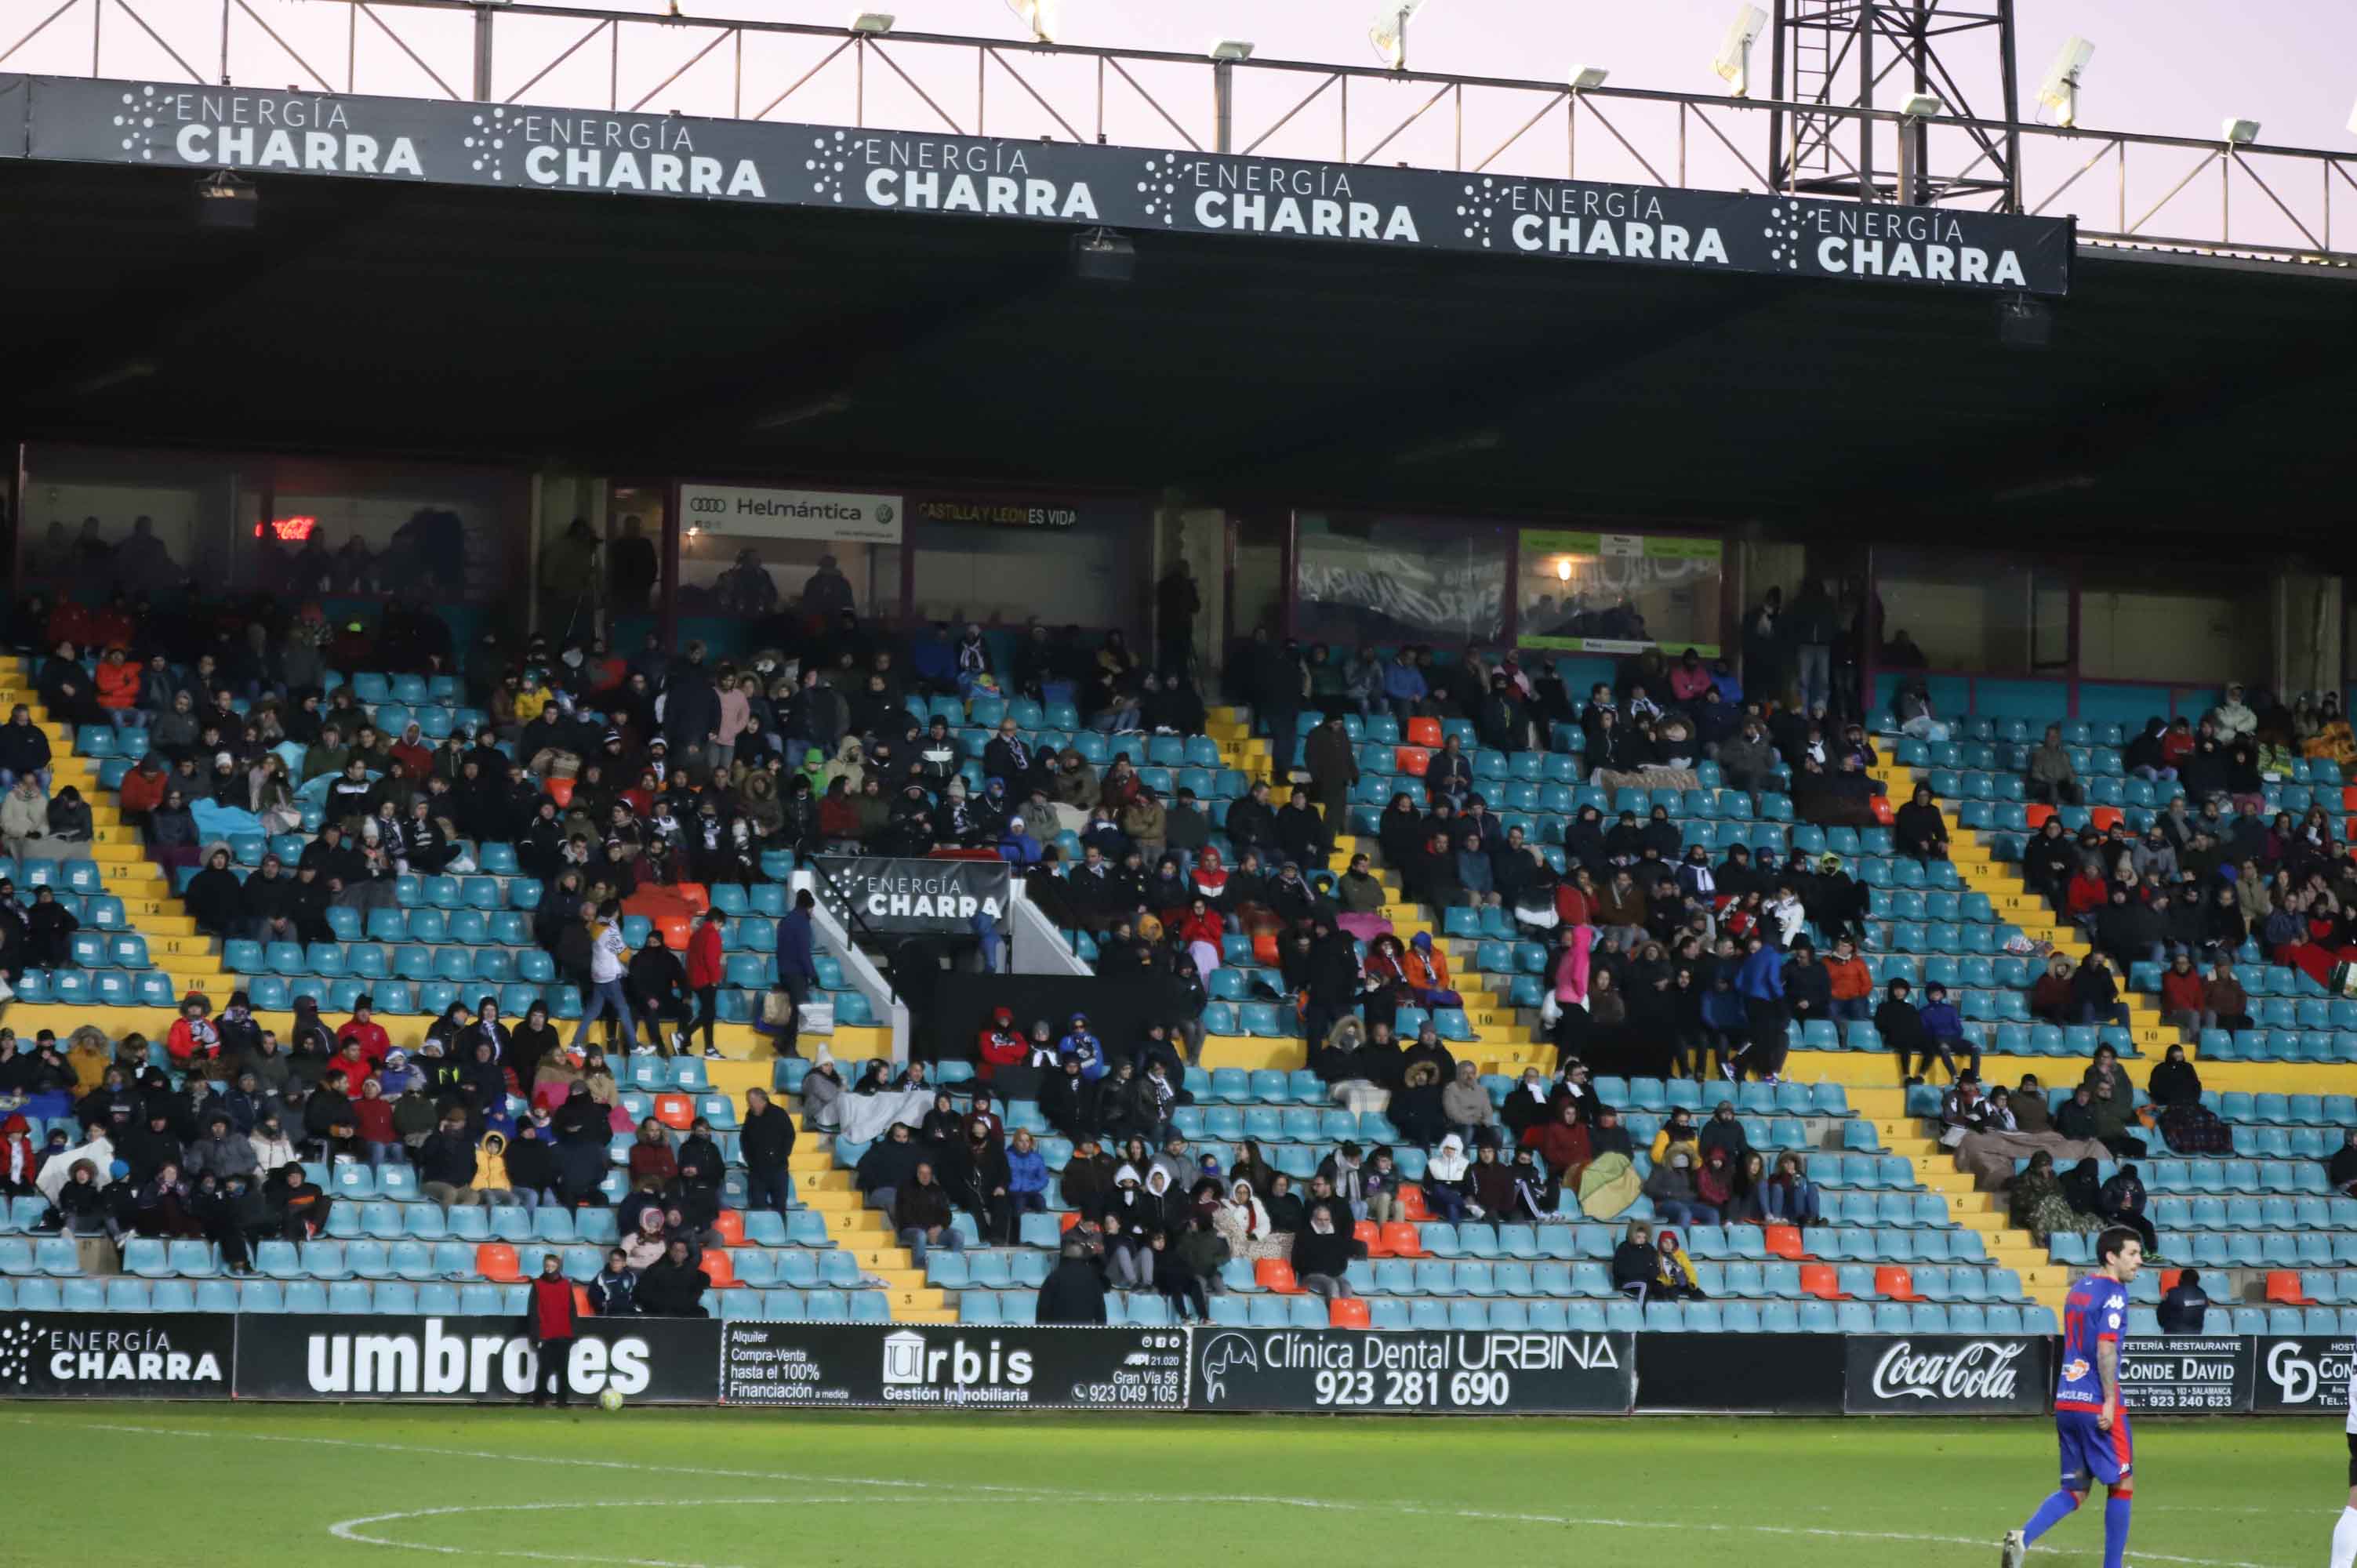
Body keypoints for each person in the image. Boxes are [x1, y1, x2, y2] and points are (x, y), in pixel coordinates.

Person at [1999, 1226, 2145, 1568]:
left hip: (2068, 1399)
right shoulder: (2115, 1294)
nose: (2139, 1262)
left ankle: (2023, 1538)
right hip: (2096, 1401)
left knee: (2076, 1489)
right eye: (2132, 1254)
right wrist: (2109, 1400)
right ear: (2111, 1256)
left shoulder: (2079, 1288)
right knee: (2122, 1481)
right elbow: (2106, 1346)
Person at [525, 1251, 577, 1407]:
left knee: (563, 1371)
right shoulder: (537, 1285)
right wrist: (536, 1335)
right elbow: (533, 1311)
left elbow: (572, 1310)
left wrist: (573, 1333)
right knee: (544, 1370)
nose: (549, 1269)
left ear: (558, 1267)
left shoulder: (566, 1285)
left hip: (564, 1334)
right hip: (545, 1335)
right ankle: (539, 1401)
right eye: (547, 1266)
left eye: (552, 1266)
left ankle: (562, 1402)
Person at [1036, 1239, 1109, 1325]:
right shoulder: (1093, 1278)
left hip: (1057, 1333)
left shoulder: (1053, 1277)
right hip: (1085, 1333)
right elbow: (1101, 1312)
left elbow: (1043, 1309)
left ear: (1064, 1257)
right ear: (1082, 1257)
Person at [2155, 1266, 2208, 1335]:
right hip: (2196, 1335)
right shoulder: (2202, 1293)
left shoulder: (2172, 1292)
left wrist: (2165, 1325)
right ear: (2197, 1280)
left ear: (2181, 1279)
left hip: (2174, 1334)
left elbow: (2161, 1311)